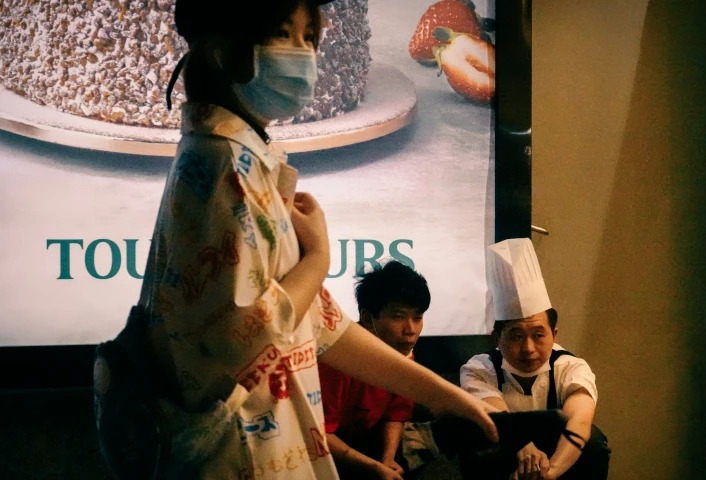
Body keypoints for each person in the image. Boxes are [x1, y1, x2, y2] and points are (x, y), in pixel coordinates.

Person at [92, 1, 499, 479]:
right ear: (224, 50)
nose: (304, 54)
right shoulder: (222, 165)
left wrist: (442, 395)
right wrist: (319, 259)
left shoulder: (245, 159)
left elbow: (320, 325)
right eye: (285, 34)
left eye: (310, 38)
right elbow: (243, 334)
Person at [459, 238, 611, 480]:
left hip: (560, 460)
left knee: (593, 443)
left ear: (554, 334)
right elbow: (499, 419)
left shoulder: (571, 367)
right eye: (516, 336)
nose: (528, 348)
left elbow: (579, 423)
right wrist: (523, 448)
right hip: (505, 454)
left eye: (538, 335)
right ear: (497, 337)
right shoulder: (479, 369)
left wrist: (551, 473)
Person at [319, 260, 430, 479]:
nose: (411, 330)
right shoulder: (337, 359)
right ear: (368, 318)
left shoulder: (402, 350)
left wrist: (387, 459)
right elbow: (320, 433)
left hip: (368, 442)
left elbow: (396, 412)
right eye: (398, 317)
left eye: (417, 318)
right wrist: (373, 467)